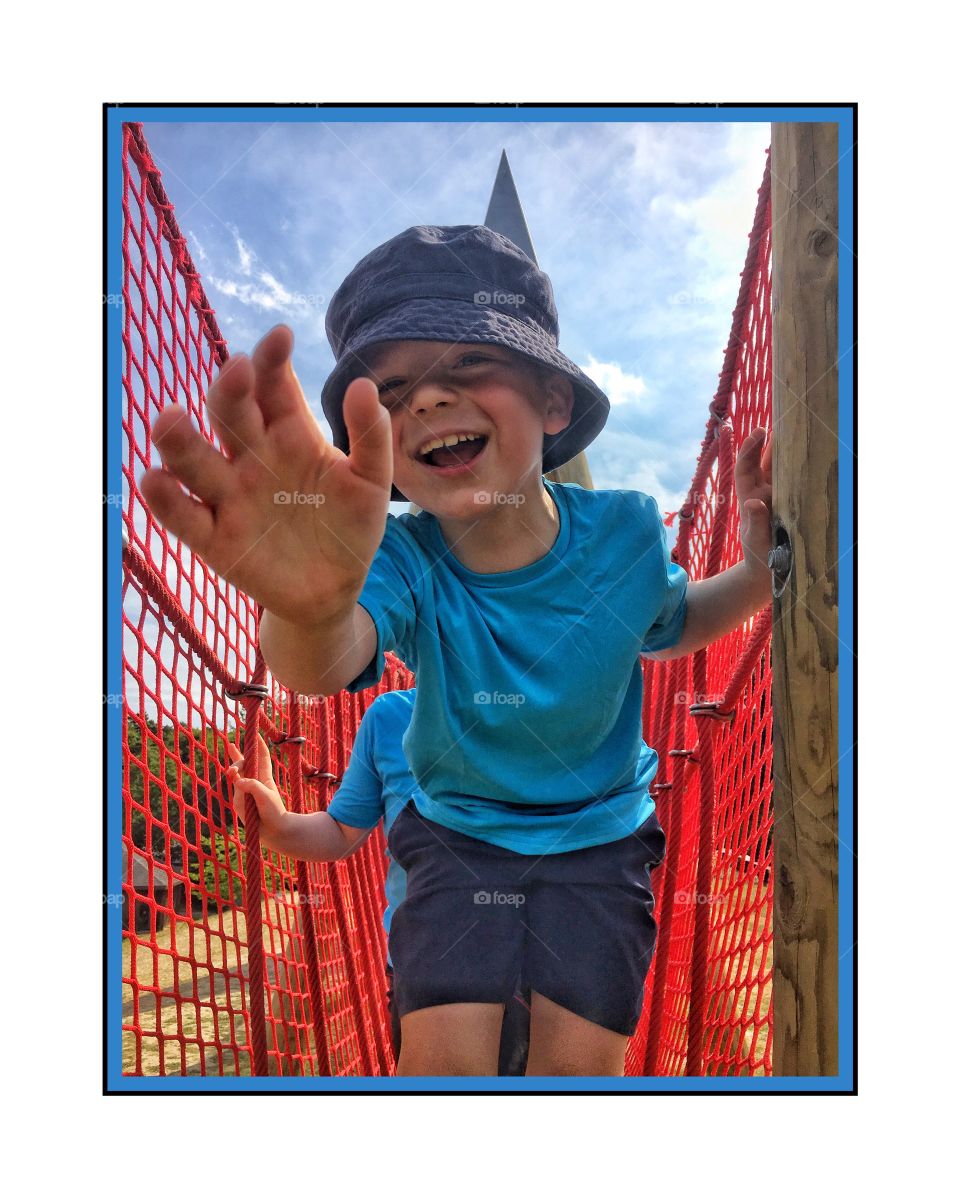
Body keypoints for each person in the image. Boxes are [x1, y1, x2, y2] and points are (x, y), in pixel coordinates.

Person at [143, 223, 773, 1077]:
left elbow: (675, 623)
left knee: (578, 1074)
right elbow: (320, 663)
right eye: (392, 391)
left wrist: (760, 571)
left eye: (468, 365)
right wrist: (310, 604)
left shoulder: (624, 531)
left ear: (554, 404)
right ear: (381, 450)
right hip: (455, 836)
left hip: (599, 838)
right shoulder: (403, 559)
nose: (428, 403)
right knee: (443, 1067)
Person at [226, 686, 530, 1075]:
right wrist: (278, 826)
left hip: (540, 953)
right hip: (424, 955)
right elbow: (340, 831)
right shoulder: (391, 716)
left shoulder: (570, 701)